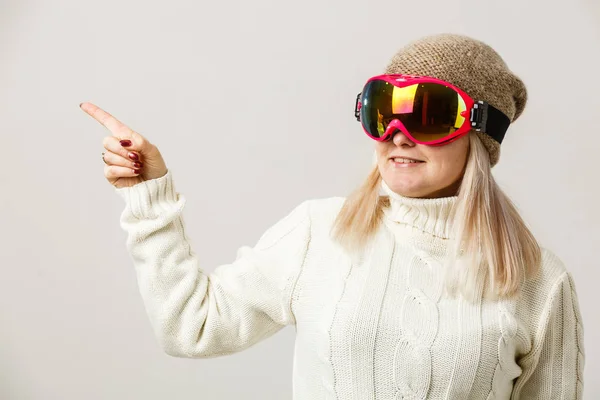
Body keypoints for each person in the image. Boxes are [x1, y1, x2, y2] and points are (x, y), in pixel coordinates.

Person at [81, 33, 585, 399]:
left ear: (480, 134)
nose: (398, 134)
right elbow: (190, 328)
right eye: (384, 109)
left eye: (428, 114)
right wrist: (148, 196)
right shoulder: (318, 233)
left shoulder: (539, 282)